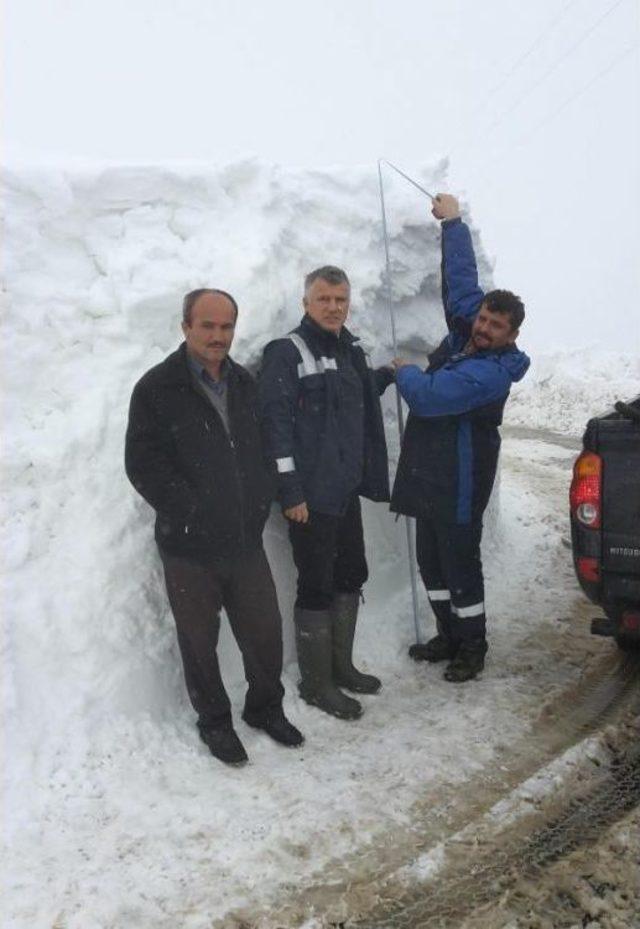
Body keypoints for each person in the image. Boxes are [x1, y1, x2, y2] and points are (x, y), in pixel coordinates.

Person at [125, 288, 303, 766]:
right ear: (185, 327)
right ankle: (215, 723)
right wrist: (191, 511)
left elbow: (262, 449)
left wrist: (258, 496)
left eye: (226, 327)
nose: (217, 336)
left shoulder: (244, 384)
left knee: (265, 632)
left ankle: (265, 708)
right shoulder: (155, 388)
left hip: (244, 541)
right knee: (199, 643)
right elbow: (142, 464)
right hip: (189, 548)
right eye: (207, 325)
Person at [391, 194, 530, 683]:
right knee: (431, 562)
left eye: (497, 326)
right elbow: (461, 283)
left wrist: (403, 373)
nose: (485, 328)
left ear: (511, 336)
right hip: (430, 472)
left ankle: (473, 646)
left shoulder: (492, 375)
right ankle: (447, 634)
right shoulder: (470, 328)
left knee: (459, 565)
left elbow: (429, 397)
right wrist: (453, 223)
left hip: (461, 482)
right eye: (484, 320)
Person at [259, 267, 393, 720]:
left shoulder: (350, 351)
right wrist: (290, 491)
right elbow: (274, 427)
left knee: (351, 573)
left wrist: (385, 377)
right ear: (306, 303)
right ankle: (317, 684)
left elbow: (351, 399)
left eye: (340, 299)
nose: (334, 307)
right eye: (324, 299)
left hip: (345, 491)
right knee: (315, 585)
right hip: (310, 499)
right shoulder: (286, 352)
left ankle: (341, 667)